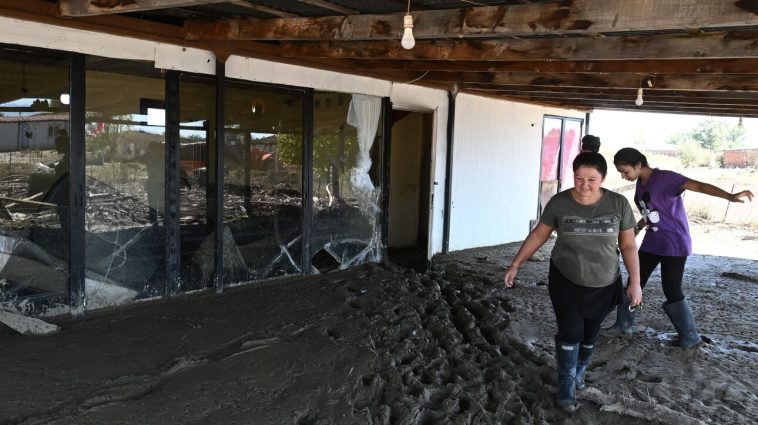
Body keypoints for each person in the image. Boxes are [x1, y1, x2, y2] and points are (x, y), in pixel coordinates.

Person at [504, 147, 642, 413]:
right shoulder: (559, 203)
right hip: (565, 278)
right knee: (571, 332)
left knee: (590, 334)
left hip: (604, 282)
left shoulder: (618, 204)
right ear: (573, 175)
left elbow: (628, 246)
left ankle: (580, 371)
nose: (584, 185)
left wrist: (634, 283)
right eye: (579, 178)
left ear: (602, 178)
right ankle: (566, 384)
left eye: (592, 180)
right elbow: (539, 235)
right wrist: (515, 264)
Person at [609, 147, 753, 348]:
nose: (624, 177)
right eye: (621, 173)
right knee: (634, 280)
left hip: (674, 243)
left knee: (671, 289)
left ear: (638, 164)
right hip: (652, 242)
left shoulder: (666, 178)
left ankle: (690, 337)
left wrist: (730, 196)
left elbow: (699, 186)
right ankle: (623, 325)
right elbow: (650, 213)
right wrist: (636, 231)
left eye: (625, 171)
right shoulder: (641, 182)